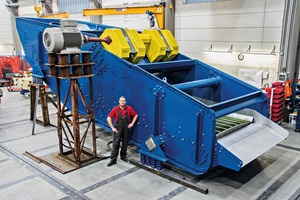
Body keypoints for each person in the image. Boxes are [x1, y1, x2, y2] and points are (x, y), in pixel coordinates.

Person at [107, 96, 138, 167]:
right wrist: (112, 127)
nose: (122, 102)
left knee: (125, 144)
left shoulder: (129, 108)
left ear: (125, 102)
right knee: (115, 145)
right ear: (119, 101)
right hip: (118, 130)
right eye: (121, 101)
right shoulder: (115, 109)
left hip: (126, 130)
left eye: (124, 101)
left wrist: (132, 123)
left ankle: (123, 156)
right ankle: (113, 160)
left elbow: (136, 115)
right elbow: (108, 118)